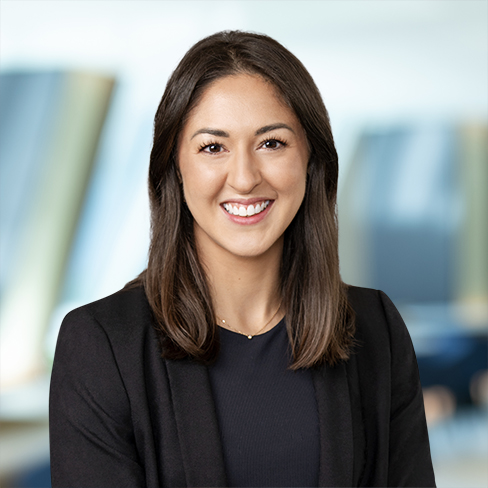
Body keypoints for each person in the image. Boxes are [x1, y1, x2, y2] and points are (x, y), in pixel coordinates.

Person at [49, 30, 436, 488]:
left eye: (271, 143)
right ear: (175, 168)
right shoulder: (101, 346)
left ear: (311, 161)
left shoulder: (377, 330)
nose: (245, 177)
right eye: (213, 147)